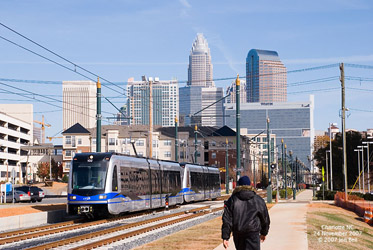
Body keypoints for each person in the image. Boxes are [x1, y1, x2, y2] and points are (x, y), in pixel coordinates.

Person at [221, 176, 270, 250]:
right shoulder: (258, 200)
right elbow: (265, 218)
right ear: (250, 185)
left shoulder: (232, 200)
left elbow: (227, 220)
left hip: (238, 234)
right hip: (253, 233)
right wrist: (264, 232)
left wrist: (225, 237)